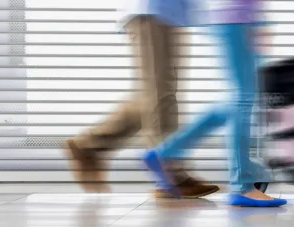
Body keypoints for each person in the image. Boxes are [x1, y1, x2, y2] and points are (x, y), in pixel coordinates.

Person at [64, 0, 220, 198]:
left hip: (167, 13)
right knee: (160, 96)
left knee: (151, 96)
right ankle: (171, 175)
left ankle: (87, 145)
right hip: (154, 10)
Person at [142, 0, 288, 207]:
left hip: (232, 15)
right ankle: (243, 185)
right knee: (242, 99)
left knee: (236, 101)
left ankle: (165, 153)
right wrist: (258, 20)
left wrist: (259, 19)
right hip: (236, 16)